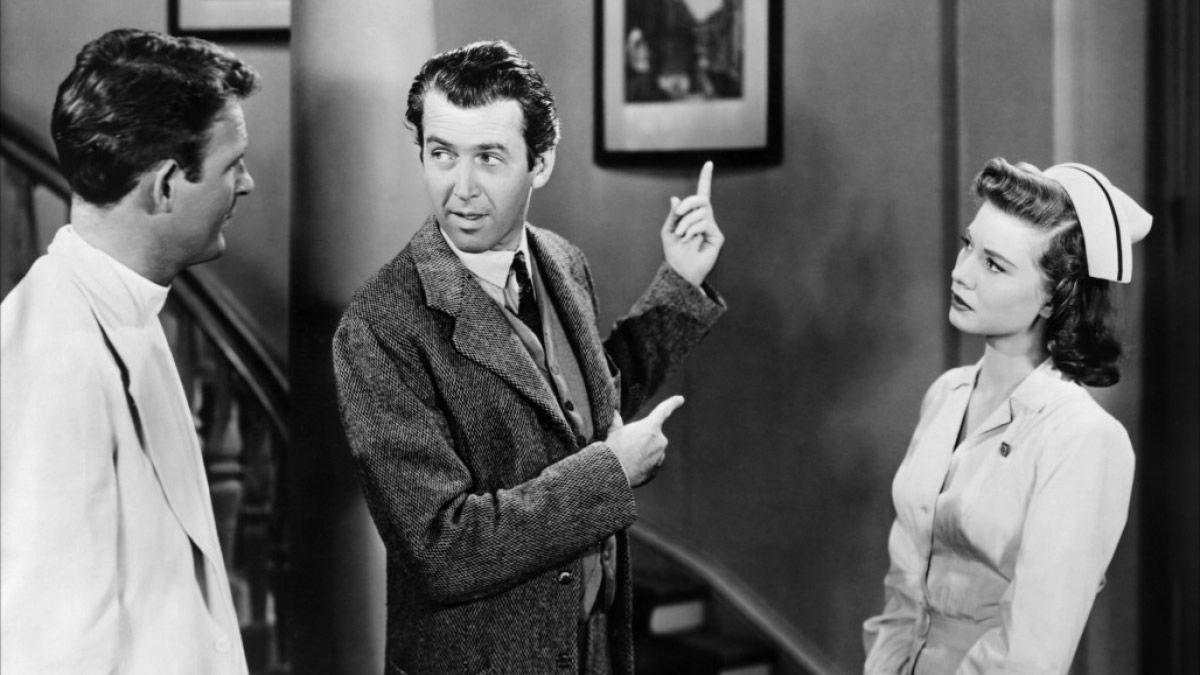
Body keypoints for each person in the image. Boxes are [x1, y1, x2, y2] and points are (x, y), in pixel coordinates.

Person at [332, 40, 725, 673]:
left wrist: (680, 282)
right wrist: (611, 474)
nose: (461, 189)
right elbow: (440, 548)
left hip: (589, 649)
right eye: (441, 154)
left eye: (489, 158)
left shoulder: (561, 261)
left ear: (539, 163)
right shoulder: (379, 326)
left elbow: (583, 408)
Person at [1, 28, 259, 673]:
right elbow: (51, 655)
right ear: (166, 185)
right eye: (232, 165)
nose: (247, 183)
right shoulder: (52, 356)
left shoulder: (128, 309)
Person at [862, 157, 1151, 674]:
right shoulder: (946, 394)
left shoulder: (1082, 437)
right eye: (967, 245)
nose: (961, 273)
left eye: (994, 265)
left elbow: (1031, 654)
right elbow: (904, 586)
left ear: (1053, 299)